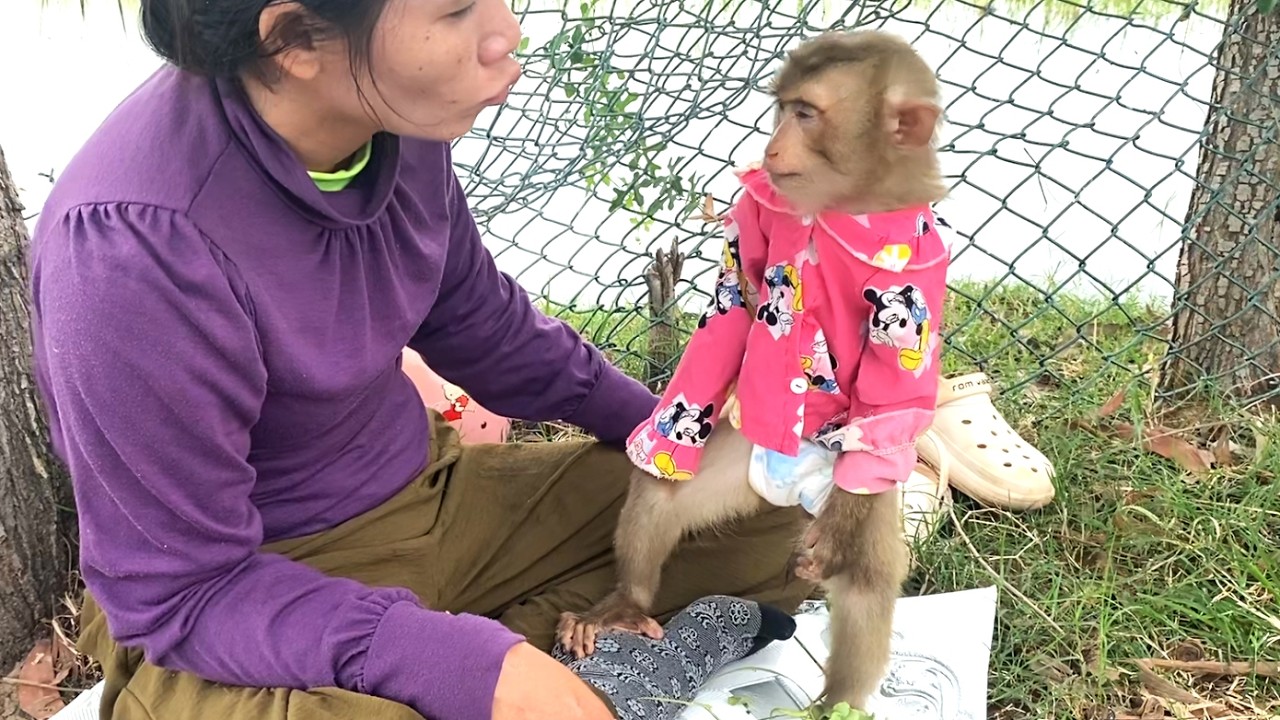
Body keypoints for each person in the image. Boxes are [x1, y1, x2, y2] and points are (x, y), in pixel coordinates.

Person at [25, 0, 813, 719]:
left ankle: (540, 668)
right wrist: (441, 657)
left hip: (429, 496)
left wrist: (665, 439)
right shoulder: (131, 247)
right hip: (255, 584)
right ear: (296, 40)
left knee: (761, 513)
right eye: (458, 10)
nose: (507, 34)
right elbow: (182, 589)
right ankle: (520, 669)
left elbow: (480, 324)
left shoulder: (389, 121)